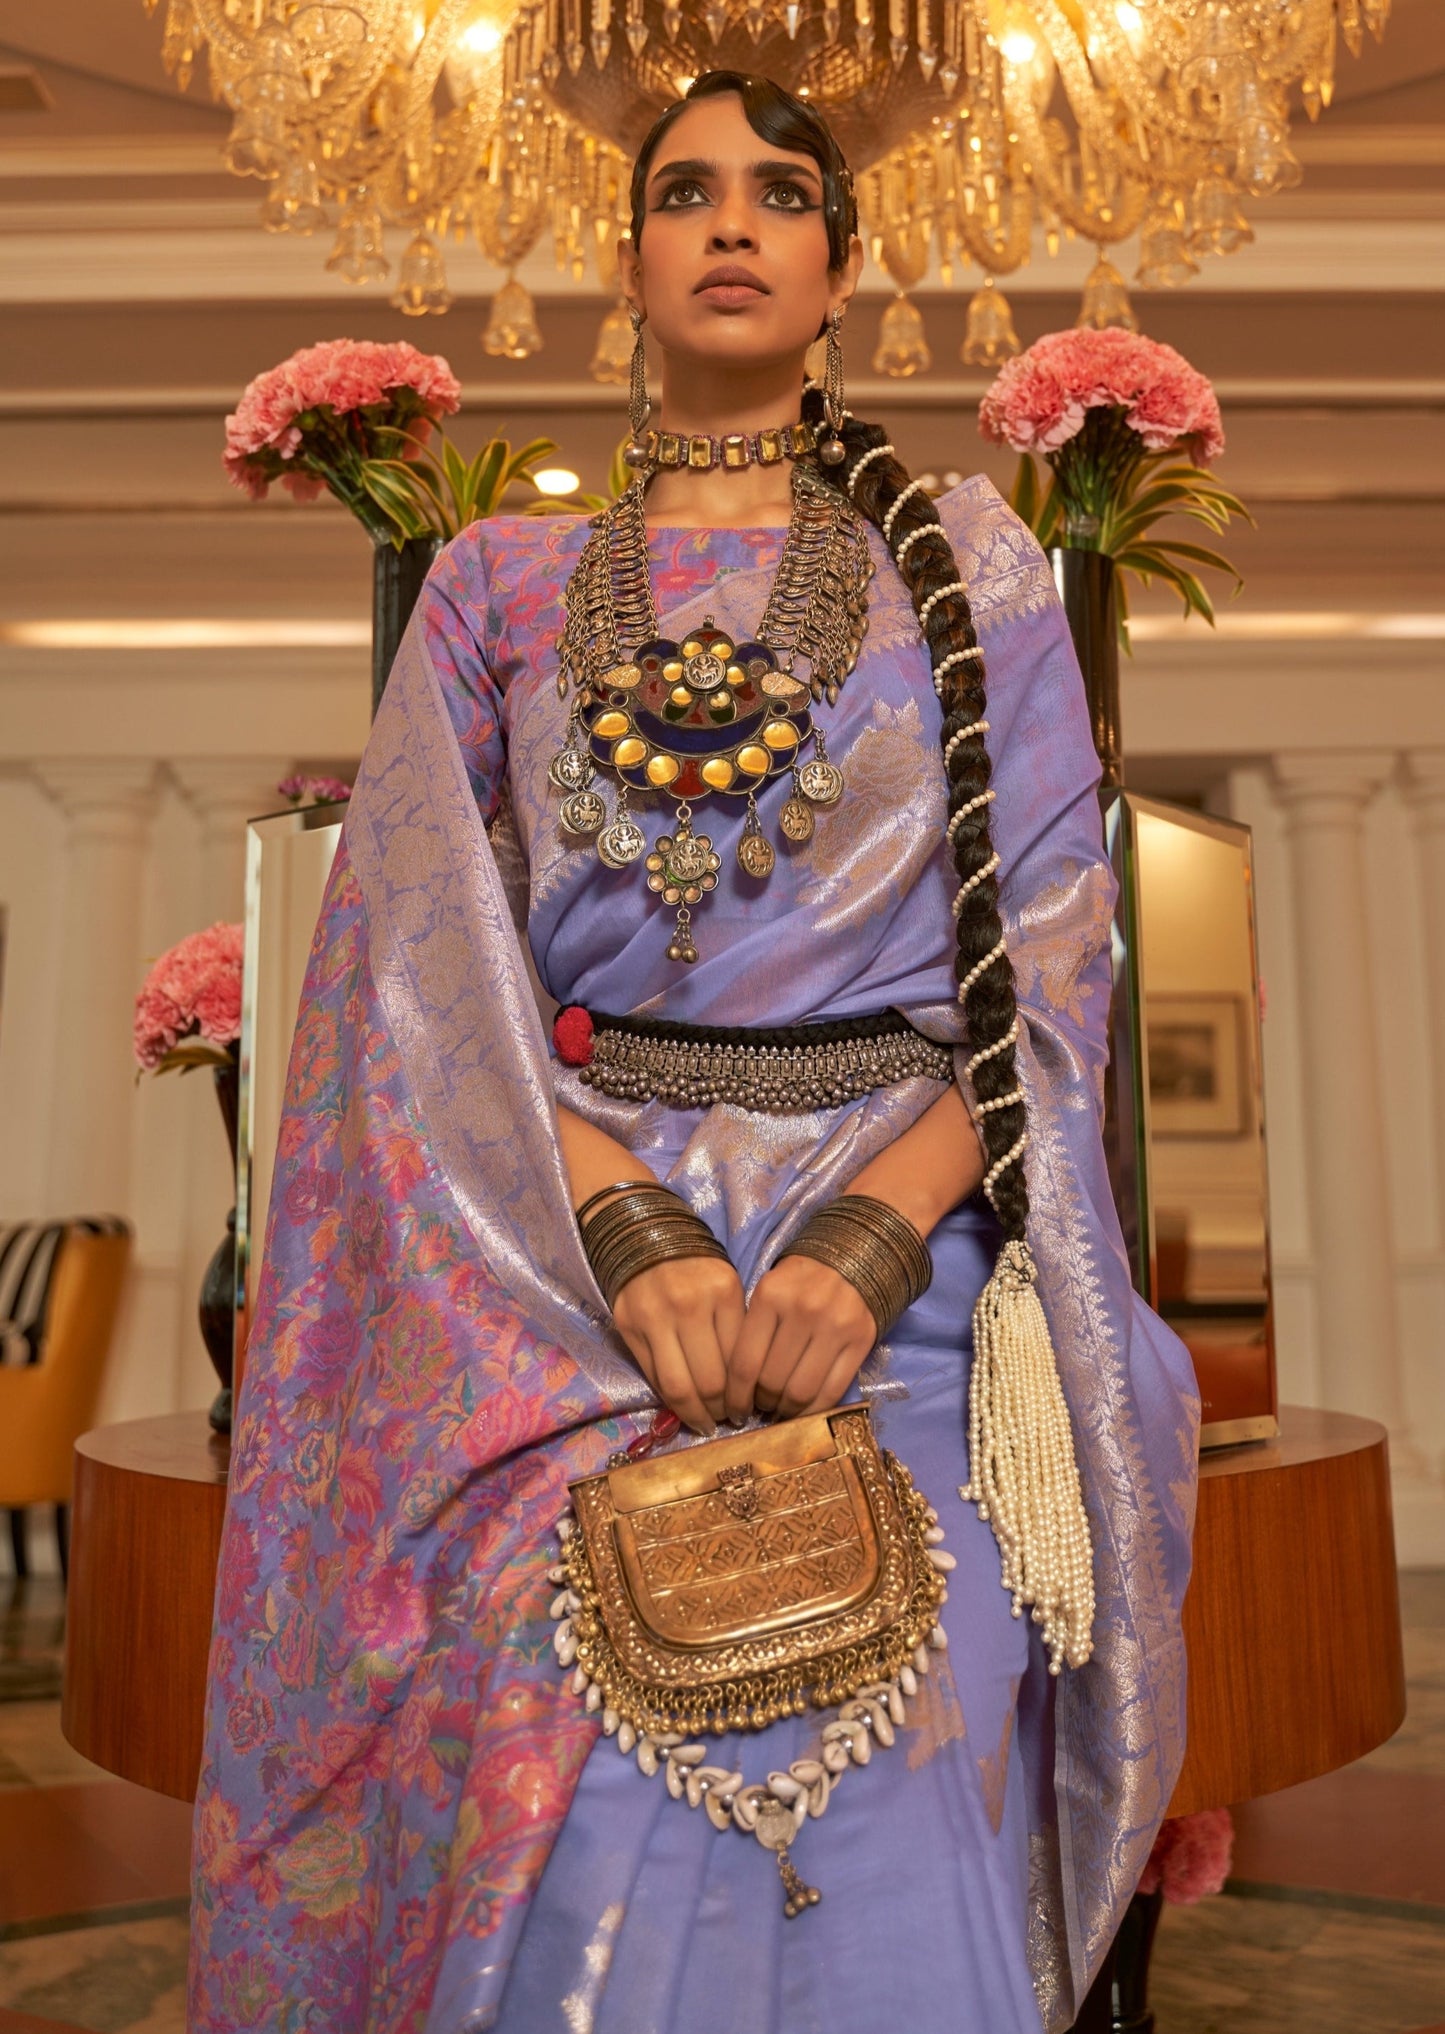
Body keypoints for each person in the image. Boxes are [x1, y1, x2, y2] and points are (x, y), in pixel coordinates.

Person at [189, 71, 1199, 2034]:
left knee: (906, 1758)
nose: (731, 222)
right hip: (560, 1291)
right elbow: (416, 980)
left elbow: (1055, 951)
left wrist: (873, 1245)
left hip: (905, 1291)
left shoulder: (973, 569)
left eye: (778, 192)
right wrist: (630, 1231)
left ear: (839, 264)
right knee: (549, 1757)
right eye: (684, 192)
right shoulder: (496, 587)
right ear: (629, 258)